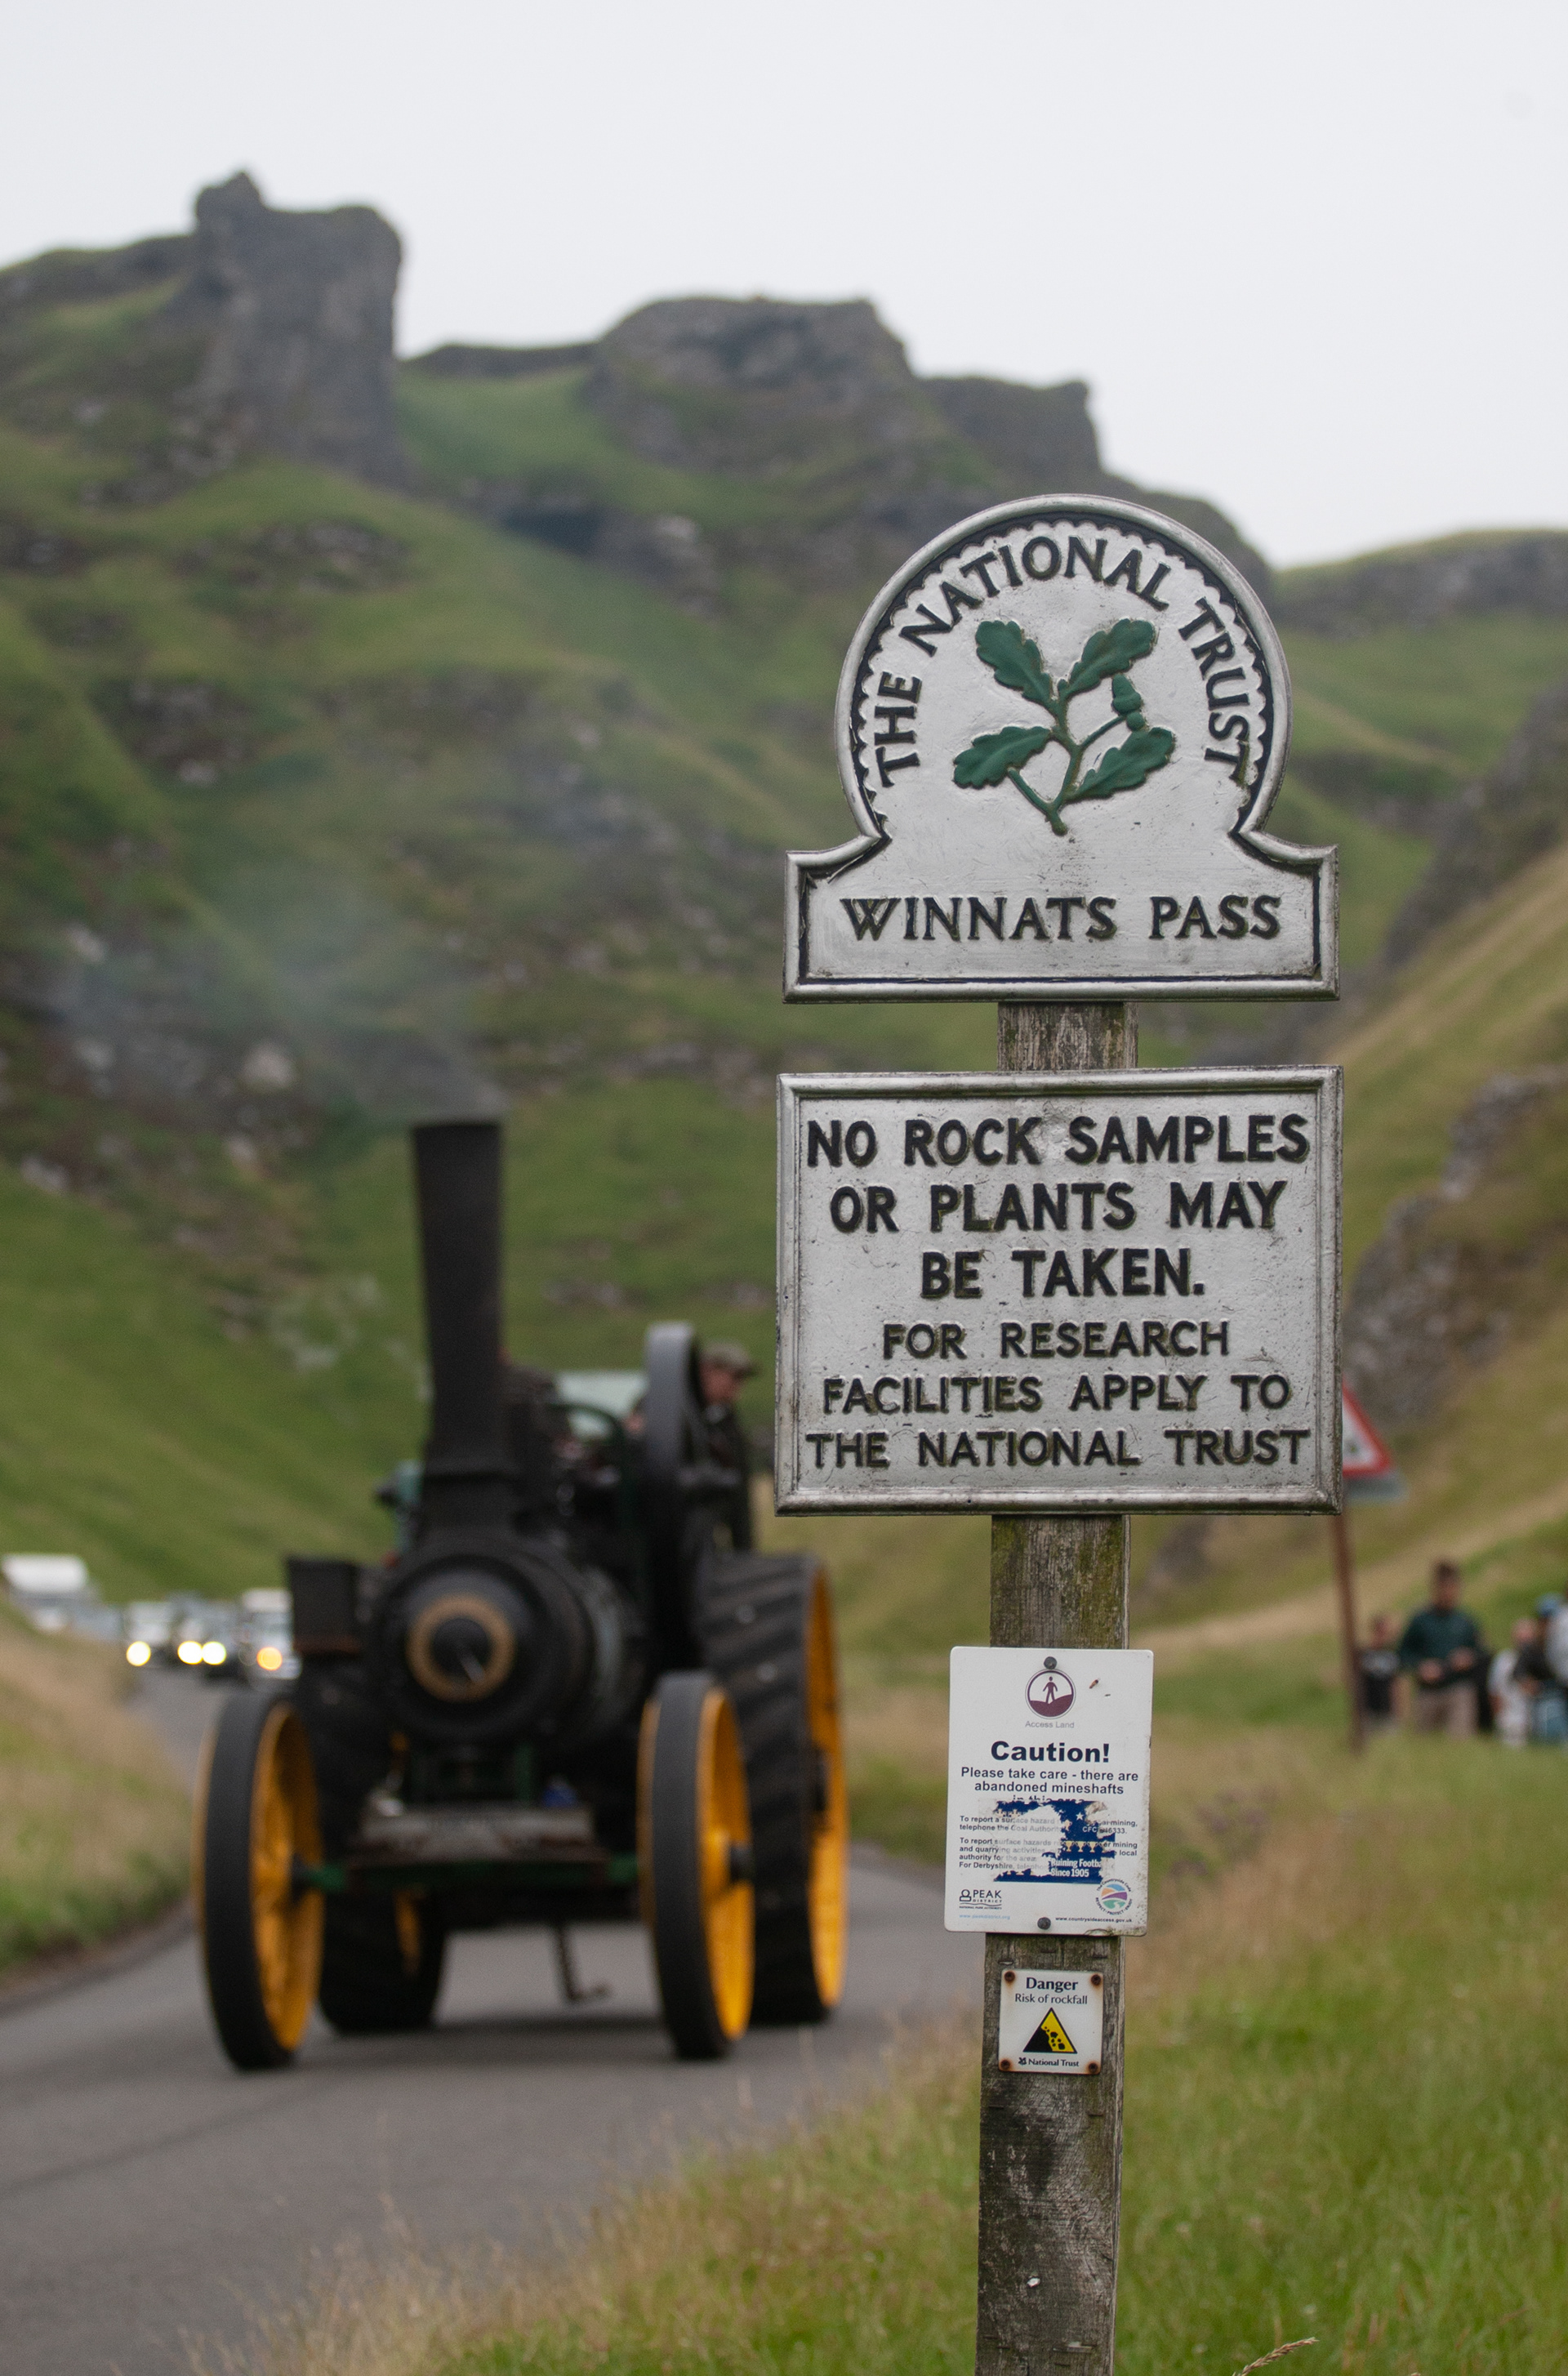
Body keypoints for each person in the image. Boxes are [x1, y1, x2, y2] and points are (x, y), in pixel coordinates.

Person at [1398, 1561, 1485, 1736]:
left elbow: (1482, 1651)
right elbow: (1403, 1653)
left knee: (1460, 1741)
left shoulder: (1465, 1621)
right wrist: (1420, 1666)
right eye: (1444, 1588)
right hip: (1429, 1690)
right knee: (1424, 1743)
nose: (1449, 1593)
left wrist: (1469, 1658)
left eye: (1453, 1588)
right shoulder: (1420, 1620)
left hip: (1458, 1687)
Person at [699, 1340, 757, 1551]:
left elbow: (739, 1496)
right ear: (706, 1372)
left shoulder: (727, 1422)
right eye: (734, 1376)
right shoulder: (665, 1409)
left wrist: (745, 1553)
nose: (738, 1385)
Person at [1490, 1617, 1544, 1748]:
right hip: (1511, 1718)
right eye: (1521, 1637)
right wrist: (1499, 1719)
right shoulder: (1503, 1660)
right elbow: (1494, 1692)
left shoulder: (1541, 1660)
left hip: (1537, 1717)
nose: (1524, 1641)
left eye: (1527, 1637)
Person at [1355, 1613, 1401, 1736]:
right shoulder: (1363, 1653)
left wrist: (1399, 1709)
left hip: (1388, 1708)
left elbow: (1396, 1683)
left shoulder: (1393, 1653)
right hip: (1368, 1708)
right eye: (1382, 1632)